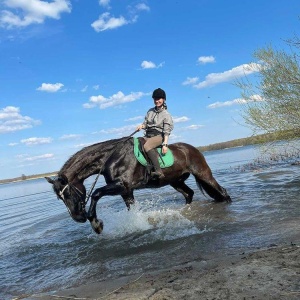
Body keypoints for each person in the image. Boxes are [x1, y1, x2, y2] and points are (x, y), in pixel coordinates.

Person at [137, 88, 174, 179]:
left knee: (147, 146)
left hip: (158, 136)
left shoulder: (166, 114)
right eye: (155, 99)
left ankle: (159, 171)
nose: (157, 101)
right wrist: (141, 126)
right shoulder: (150, 111)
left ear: (163, 99)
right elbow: (146, 124)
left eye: (159, 99)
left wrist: (165, 144)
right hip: (148, 135)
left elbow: (166, 131)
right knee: (136, 143)